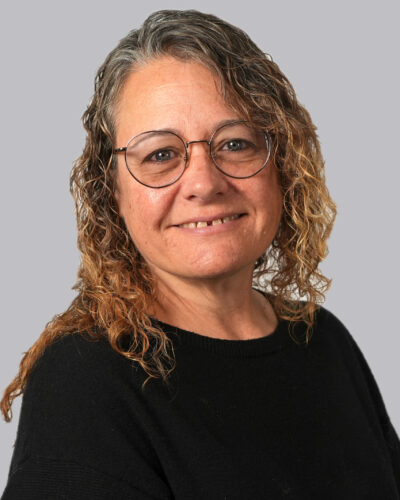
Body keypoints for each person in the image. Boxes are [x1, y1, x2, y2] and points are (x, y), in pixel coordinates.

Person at [1, 9, 399, 500]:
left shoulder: (325, 343)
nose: (205, 183)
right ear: (112, 192)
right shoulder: (84, 382)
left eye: (234, 144)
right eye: (161, 154)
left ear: (285, 166)